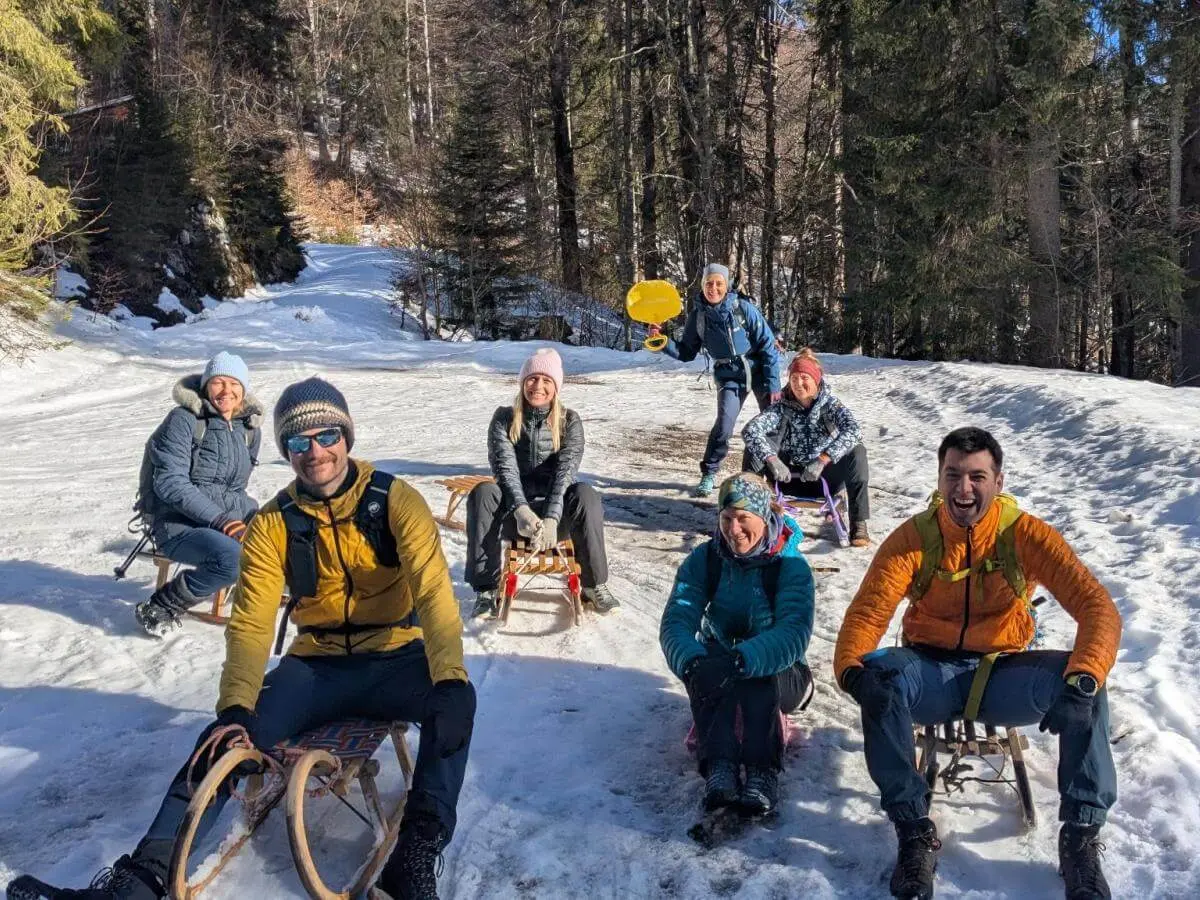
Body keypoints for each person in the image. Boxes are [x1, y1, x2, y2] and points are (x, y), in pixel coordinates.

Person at [7, 377, 476, 900]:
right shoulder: (275, 522)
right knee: (226, 737)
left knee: (454, 705)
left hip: (395, 655)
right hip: (317, 666)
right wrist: (235, 709)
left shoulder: (394, 501)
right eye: (298, 442)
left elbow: (433, 593)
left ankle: (412, 859)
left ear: (346, 437)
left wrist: (450, 676)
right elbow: (251, 623)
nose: (315, 452)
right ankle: (142, 879)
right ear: (286, 451)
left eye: (326, 436)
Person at [833, 427, 1122, 900]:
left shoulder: (1025, 535)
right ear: (940, 477)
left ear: (998, 481)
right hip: (930, 672)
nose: (963, 489)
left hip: (1004, 673)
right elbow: (867, 614)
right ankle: (913, 831)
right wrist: (852, 671)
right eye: (953, 475)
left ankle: (1081, 839)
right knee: (880, 676)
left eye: (976, 476)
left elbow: (1097, 607)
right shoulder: (916, 538)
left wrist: (1083, 679)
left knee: (1088, 683)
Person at [660, 473, 815, 815]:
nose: (733, 530)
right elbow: (677, 620)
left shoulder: (790, 566)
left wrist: (740, 661)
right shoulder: (706, 559)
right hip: (721, 660)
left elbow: (793, 633)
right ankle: (720, 766)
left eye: (744, 519)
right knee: (707, 666)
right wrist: (692, 662)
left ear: (764, 517)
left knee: (754, 674)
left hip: (785, 673)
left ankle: (762, 771)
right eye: (726, 518)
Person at [465, 347, 618, 618]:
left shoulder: (569, 420)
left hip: (555, 522)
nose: (538, 386)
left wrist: (550, 518)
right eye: (533, 378)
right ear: (523, 382)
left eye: (547, 380)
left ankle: (594, 585)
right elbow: (505, 470)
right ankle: (486, 589)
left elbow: (565, 474)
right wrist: (522, 511)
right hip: (515, 520)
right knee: (484, 491)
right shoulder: (504, 418)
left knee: (585, 493)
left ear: (556, 386)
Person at [133, 351, 262, 636]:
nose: (226, 391)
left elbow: (234, 488)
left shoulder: (248, 430)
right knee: (232, 559)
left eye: (234, 384)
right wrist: (222, 521)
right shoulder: (185, 420)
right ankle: (162, 606)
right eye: (218, 382)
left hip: (224, 521)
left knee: (292, 531)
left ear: (243, 390)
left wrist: (255, 517)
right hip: (177, 524)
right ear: (205, 386)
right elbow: (170, 483)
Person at [648, 263, 781, 497]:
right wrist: (662, 341)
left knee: (773, 424)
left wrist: (772, 383)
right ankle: (709, 473)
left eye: (719, 283)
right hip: (729, 376)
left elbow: (767, 346)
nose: (714, 288)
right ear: (703, 286)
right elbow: (686, 352)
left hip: (758, 370)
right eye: (709, 283)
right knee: (723, 426)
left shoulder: (744, 309)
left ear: (726, 285)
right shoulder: (699, 317)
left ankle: (775, 476)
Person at [742, 348, 871, 547]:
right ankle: (750, 513)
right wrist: (771, 459)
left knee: (857, 451)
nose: (798, 383)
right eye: (794, 378)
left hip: (826, 478)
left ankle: (858, 523)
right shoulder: (781, 407)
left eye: (804, 377)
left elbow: (854, 431)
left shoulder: (831, 406)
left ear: (816, 380)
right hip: (788, 477)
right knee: (754, 447)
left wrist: (823, 459)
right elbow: (751, 430)